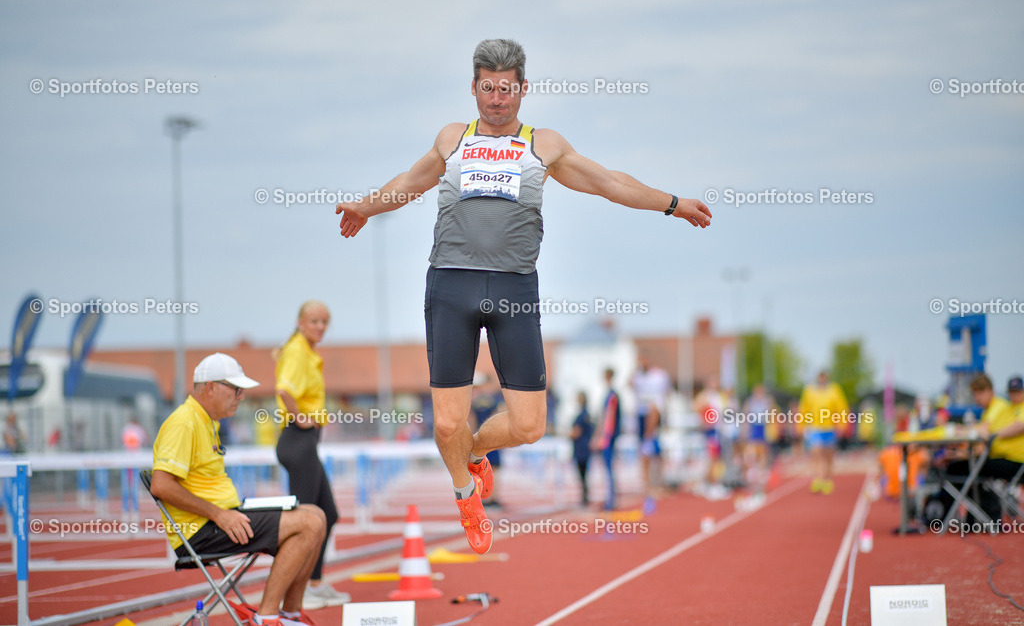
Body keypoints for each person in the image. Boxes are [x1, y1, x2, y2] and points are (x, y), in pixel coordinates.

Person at [335, 39, 711, 553]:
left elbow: (608, 182)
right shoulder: (453, 138)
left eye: (506, 90)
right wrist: (366, 207)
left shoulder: (544, 145)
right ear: (473, 88)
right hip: (451, 283)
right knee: (447, 421)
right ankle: (466, 495)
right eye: (488, 88)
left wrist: (671, 203)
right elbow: (410, 182)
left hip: (514, 287)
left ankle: (474, 454)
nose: (497, 99)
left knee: (530, 426)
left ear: (523, 89)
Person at [151, 353, 326, 626]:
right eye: (236, 389)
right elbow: (161, 485)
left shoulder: (206, 420)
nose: (241, 396)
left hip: (220, 518)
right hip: (202, 529)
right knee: (308, 524)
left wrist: (224, 513)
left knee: (317, 514)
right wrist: (220, 515)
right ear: (211, 387)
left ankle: (290, 614)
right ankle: (266, 617)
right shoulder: (184, 422)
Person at [273, 301, 349, 609]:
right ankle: (296, 591)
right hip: (298, 439)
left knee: (327, 514)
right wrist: (301, 418)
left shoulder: (307, 350)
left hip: (305, 442)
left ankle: (313, 584)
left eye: (324, 322)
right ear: (300, 322)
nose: (320, 327)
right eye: (314, 321)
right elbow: (284, 389)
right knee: (305, 522)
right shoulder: (297, 350)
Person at [933, 374, 1024, 524]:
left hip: (1014, 463)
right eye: (1011, 392)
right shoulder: (1006, 408)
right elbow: (981, 442)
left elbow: (984, 434)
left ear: (990, 391)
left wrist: (961, 432)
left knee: (959, 469)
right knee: (960, 467)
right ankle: (978, 517)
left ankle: (979, 517)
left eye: (980, 393)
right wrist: (956, 453)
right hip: (1003, 459)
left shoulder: (1000, 406)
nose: (977, 398)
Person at [797, 370, 848, 494]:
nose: (822, 379)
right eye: (820, 377)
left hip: (830, 427)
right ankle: (818, 479)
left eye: (824, 377)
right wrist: (801, 425)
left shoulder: (834, 390)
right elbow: (804, 409)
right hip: (815, 427)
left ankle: (827, 479)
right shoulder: (809, 391)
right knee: (816, 452)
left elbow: (841, 407)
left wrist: (842, 424)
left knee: (828, 456)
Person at [632, 357, 670, 508]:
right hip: (646, 428)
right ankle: (649, 486)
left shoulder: (658, 377)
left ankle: (656, 484)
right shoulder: (639, 377)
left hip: (651, 431)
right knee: (647, 458)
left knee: (656, 458)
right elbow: (630, 383)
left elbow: (656, 410)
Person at [469, 376, 505, 508]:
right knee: (494, 469)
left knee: (478, 470)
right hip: (492, 439)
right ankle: (493, 498)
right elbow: (499, 417)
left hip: (479, 439)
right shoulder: (494, 400)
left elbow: (471, 421)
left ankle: (481, 499)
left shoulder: (473, 402)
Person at [592, 368, 622, 511]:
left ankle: (611, 499)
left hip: (608, 435)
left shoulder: (611, 395)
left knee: (608, 468)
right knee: (608, 468)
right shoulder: (611, 394)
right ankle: (610, 497)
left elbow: (608, 417)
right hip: (609, 434)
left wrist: (601, 436)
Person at [569, 391, 594, 507]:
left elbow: (576, 433)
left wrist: (565, 434)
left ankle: (584, 498)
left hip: (580, 449)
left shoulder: (580, 417)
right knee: (585, 475)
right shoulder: (587, 415)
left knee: (582, 475)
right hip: (586, 448)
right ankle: (585, 497)